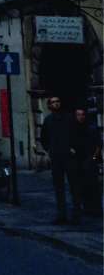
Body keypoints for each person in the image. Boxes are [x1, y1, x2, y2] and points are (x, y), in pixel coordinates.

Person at [41, 96, 80, 224]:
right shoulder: (48, 120)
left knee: (74, 185)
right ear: (49, 106)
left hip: (69, 156)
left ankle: (76, 213)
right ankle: (61, 214)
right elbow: (44, 137)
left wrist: (73, 147)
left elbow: (76, 133)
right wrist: (49, 150)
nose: (56, 104)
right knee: (59, 187)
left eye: (58, 101)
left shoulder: (69, 118)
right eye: (53, 102)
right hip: (56, 157)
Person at [72, 107, 102, 218]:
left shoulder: (91, 128)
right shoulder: (73, 129)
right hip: (78, 161)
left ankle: (96, 208)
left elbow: (98, 145)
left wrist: (93, 158)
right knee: (82, 186)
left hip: (90, 160)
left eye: (83, 114)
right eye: (78, 115)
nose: (81, 117)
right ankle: (87, 208)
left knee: (94, 185)